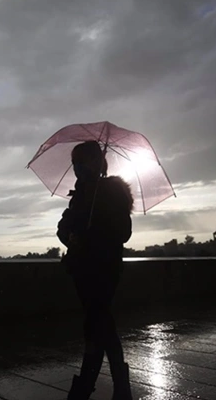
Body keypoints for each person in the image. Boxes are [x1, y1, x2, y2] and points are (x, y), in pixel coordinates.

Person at [57, 140, 134, 400]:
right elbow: (63, 227)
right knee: (97, 324)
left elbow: (123, 233)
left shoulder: (112, 191)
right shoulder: (79, 194)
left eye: (82, 161)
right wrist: (70, 236)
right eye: (74, 163)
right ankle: (117, 384)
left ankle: (86, 385)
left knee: (97, 321)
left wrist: (92, 233)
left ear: (96, 162)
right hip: (81, 267)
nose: (78, 168)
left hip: (104, 267)